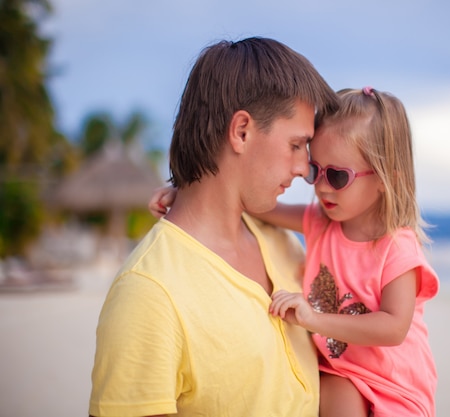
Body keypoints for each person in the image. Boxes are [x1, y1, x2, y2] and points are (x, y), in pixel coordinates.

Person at [88, 36, 339, 417]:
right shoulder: (149, 294)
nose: (306, 168)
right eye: (296, 145)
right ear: (241, 131)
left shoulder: (284, 244)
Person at [151, 87, 440, 417]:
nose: (321, 187)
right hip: (340, 373)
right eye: (316, 170)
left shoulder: (396, 246)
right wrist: (185, 195)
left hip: (395, 384)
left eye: (338, 176)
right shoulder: (320, 222)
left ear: (385, 179)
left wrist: (314, 320)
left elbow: (393, 328)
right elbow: (252, 205)